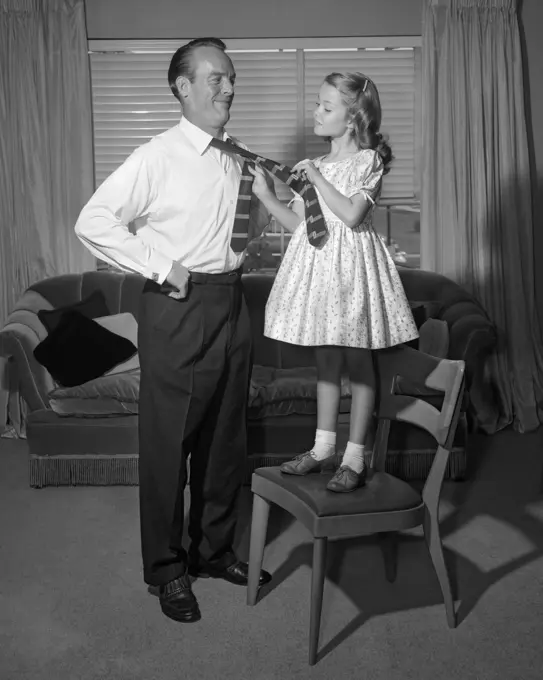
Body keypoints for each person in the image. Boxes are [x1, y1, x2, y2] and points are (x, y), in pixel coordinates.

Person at [74, 37, 272, 624]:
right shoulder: (154, 156)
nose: (229, 88)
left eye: (232, 78)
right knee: (169, 445)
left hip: (231, 305)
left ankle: (213, 552)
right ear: (182, 88)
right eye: (217, 79)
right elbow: (92, 220)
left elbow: (229, 233)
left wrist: (250, 238)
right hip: (176, 305)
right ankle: (166, 569)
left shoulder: (233, 154)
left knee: (223, 438)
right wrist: (164, 266)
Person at [249, 72, 419, 493]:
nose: (316, 112)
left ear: (351, 118)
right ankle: (323, 448)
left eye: (326, 107)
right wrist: (269, 196)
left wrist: (317, 180)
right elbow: (305, 225)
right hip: (320, 272)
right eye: (317, 104)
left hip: (353, 273)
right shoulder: (318, 163)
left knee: (359, 365)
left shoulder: (368, 161)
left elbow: (352, 215)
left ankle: (355, 458)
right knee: (326, 362)